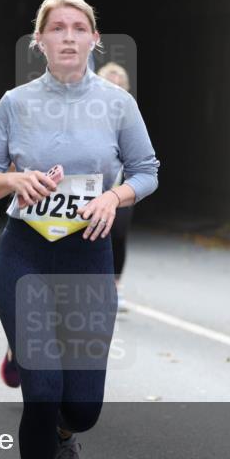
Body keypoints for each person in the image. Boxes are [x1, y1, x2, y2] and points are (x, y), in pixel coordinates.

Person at [0, 0, 159, 459]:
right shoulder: (16, 102)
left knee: (83, 405)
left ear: (94, 39)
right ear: (41, 41)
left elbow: (147, 170)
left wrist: (113, 197)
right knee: (42, 386)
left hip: (87, 253)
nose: (69, 36)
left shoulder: (117, 105)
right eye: (58, 28)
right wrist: (12, 181)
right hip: (27, 252)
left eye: (79, 28)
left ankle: (64, 434)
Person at [96, 62, 136, 312]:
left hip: (119, 186)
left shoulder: (130, 115)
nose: (115, 88)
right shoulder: (88, 112)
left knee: (118, 234)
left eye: (120, 84)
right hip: (90, 186)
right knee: (93, 233)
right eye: (111, 83)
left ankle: (116, 286)